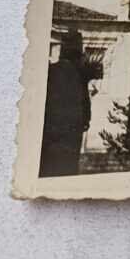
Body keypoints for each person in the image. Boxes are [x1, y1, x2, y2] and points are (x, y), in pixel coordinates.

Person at [41, 44, 92, 175]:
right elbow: (85, 102)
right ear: (77, 58)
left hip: (50, 128)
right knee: (68, 166)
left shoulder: (50, 71)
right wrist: (86, 121)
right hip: (72, 131)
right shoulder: (80, 75)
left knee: (48, 165)